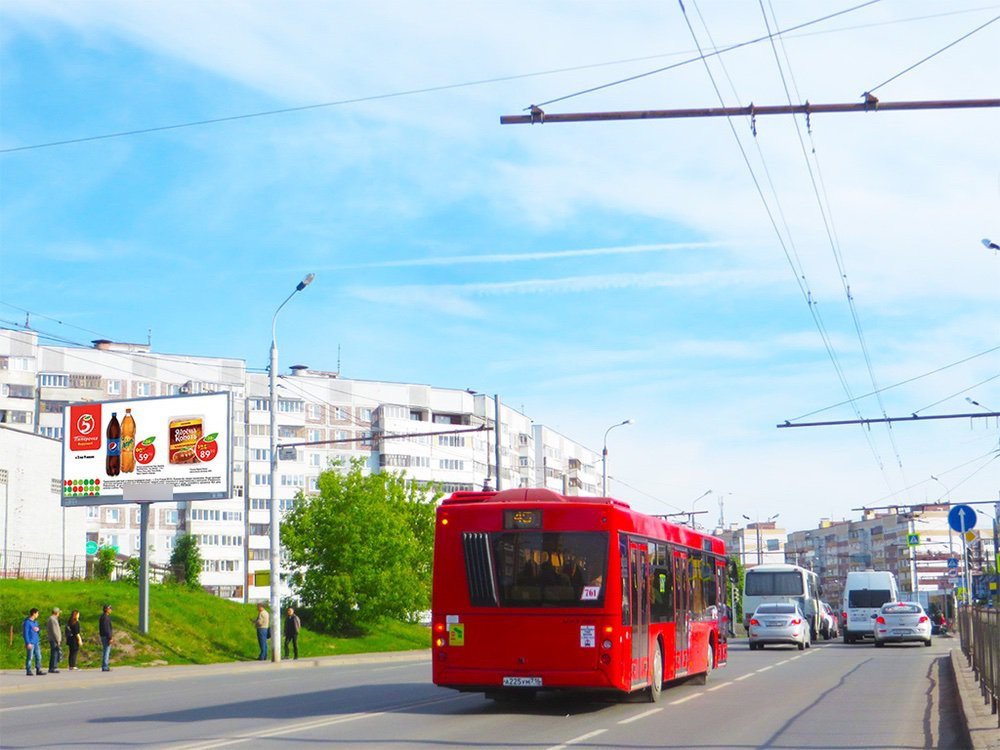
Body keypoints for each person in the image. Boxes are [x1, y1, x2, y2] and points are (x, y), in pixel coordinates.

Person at [22, 608, 44, 676]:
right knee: (30, 657)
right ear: (34, 613)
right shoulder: (27, 622)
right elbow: (25, 633)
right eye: (37, 613)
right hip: (31, 642)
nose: (38, 614)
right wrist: (28, 642)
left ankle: (38, 669)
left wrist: (38, 630)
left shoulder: (35, 622)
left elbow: (38, 631)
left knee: (39, 656)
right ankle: (28, 670)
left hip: (36, 641)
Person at [46, 607, 62, 673]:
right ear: (56, 613)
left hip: (53, 638)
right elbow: (55, 630)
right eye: (58, 613)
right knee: (55, 653)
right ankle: (53, 667)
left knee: (54, 652)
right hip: (54, 639)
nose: (59, 614)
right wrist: (58, 639)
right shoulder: (53, 619)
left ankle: (52, 667)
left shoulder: (53, 619)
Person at [99, 604, 113, 671]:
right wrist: (110, 637)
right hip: (106, 636)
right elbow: (107, 629)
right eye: (110, 609)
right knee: (106, 651)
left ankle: (105, 665)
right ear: (107, 610)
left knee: (105, 650)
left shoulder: (103, 617)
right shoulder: (105, 618)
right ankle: (105, 666)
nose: (111, 610)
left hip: (103, 635)